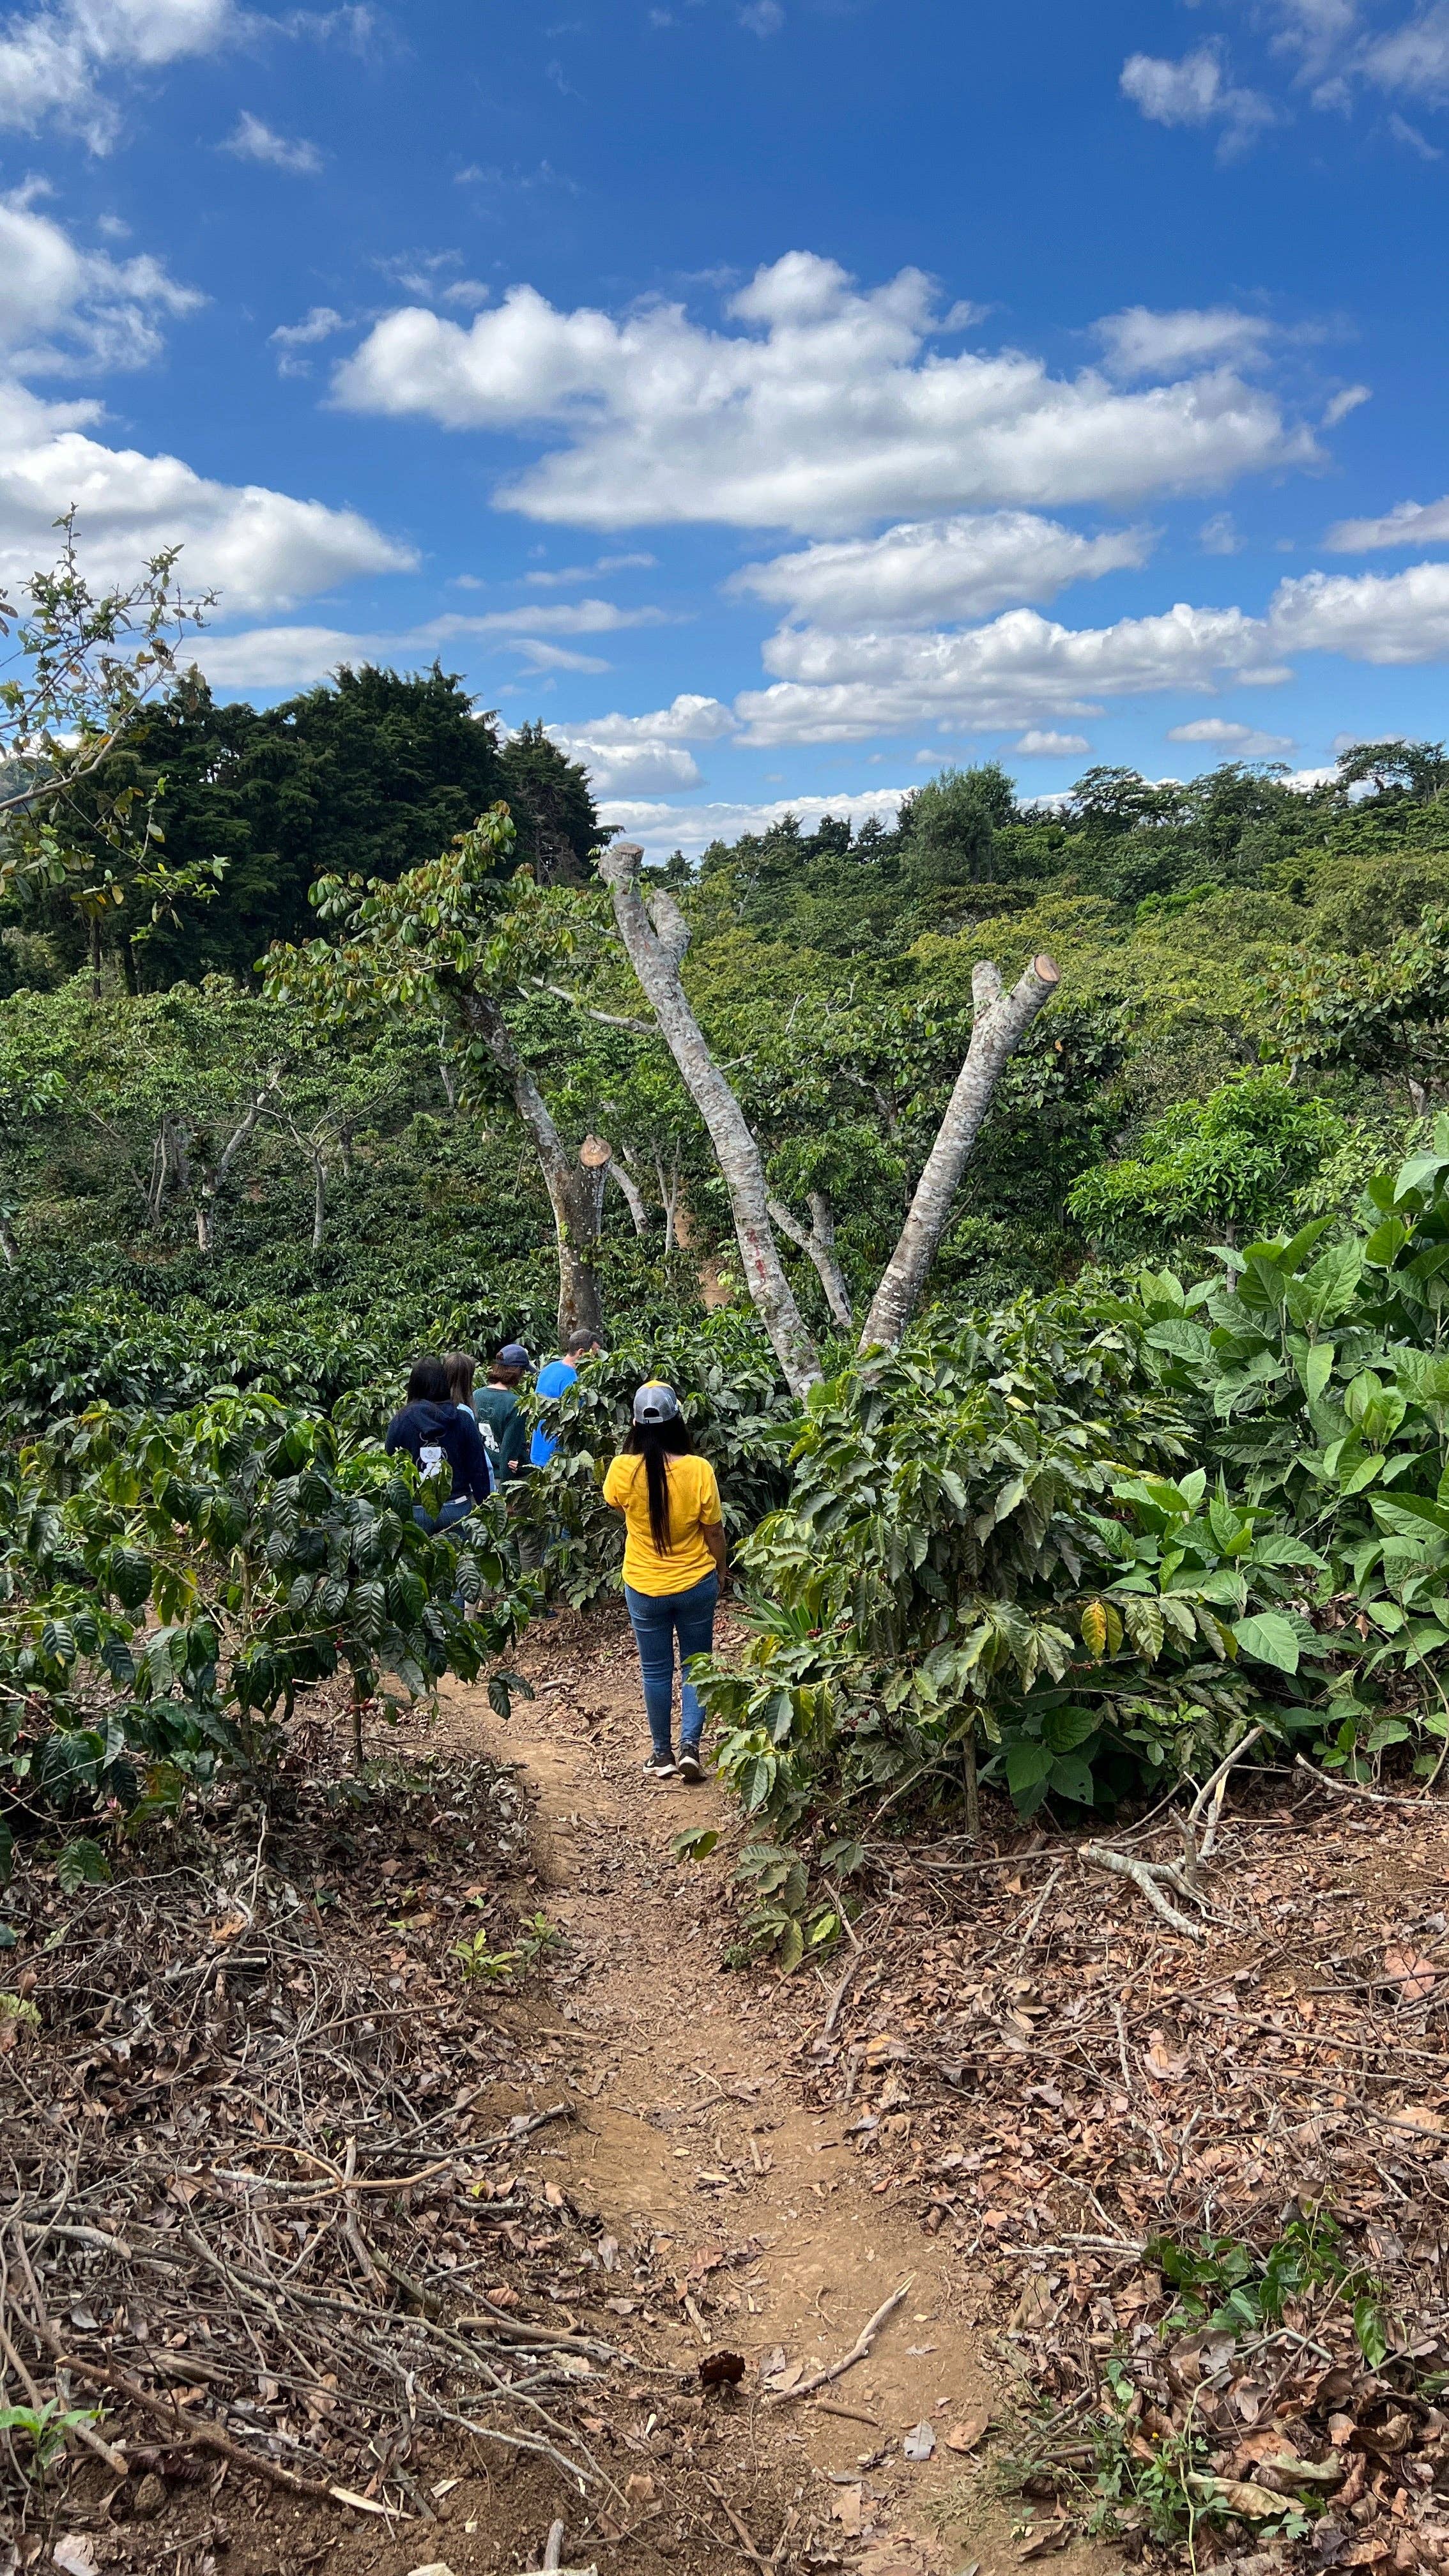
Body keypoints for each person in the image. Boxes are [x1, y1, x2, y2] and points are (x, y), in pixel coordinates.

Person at [603, 1382, 725, 1783]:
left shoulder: (622, 1469)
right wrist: (720, 1572)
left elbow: (615, 1502)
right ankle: (691, 1746)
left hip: (644, 1585)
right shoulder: (699, 1470)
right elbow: (714, 1533)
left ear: (636, 1423)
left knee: (655, 1671)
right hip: (695, 1582)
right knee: (695, 1665)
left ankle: (661, 1754)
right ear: (677, 1421)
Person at [385, 1356, 492, 1530]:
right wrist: (486, 1509)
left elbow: (390, 1466)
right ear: (443, 1383)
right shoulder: (462, 1419)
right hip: (457, 1508)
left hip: (416, 1510)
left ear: (413, 1385)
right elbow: (478, 1469)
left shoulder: (401, 1420)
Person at [530, 1328, 603, 1469]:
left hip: (539, 1450)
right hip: (559, 1457)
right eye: (594, 1354)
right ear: (581, 1352)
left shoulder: (548, 1369)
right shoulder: (574, 1380)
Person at [474, 1344, 532, 1483]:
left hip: (480, 1475)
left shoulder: (476, 1395)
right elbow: (509, 1451)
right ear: (518, 1372)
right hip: (504, 1477)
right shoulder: (515, 1404)